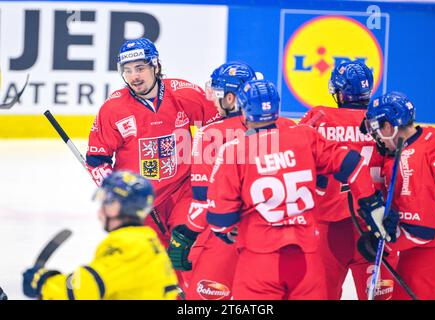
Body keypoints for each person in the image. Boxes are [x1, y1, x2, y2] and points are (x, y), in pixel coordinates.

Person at [205, 79, 397, 299]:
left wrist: (229, 233)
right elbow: (352, 163)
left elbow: (220, 219)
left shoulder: (234, 151)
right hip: (307, 258)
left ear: (244, 111)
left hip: (259, 261)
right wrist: (370, 202)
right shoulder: (304, 137)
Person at [167, 62, 295, 299]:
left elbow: (203, 199)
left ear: (230, 98)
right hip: (280, 234)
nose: (213, 101)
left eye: (217, 95)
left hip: (225, 233)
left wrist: (186, 234)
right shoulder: (289, 128)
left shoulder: (210, 133)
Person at [85, 38, 220, 250]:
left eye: (140, 68)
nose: (134, 77)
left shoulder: (184, 94)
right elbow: (96, 160)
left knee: (188, 253)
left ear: (155, 66)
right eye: (127, 70)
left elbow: (219, 127)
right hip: (140, 202)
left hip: (183, 191)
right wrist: (113, 188)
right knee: (147, 263)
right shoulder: (113, 109)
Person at [298, 61, 398, 300]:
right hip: (374, 223)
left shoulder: (318, 117)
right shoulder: (382, 122)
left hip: (327, 225)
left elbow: (293, 155)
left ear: (339, 91)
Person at [22, 171, 179, 300]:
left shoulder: (127, 245)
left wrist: (44, 283)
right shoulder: (146, 239)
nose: (100, 212)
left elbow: (86, 287)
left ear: (117, 206)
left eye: (106, 202)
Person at [361, 92, 435, 300]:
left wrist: (385, 244)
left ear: (389, 127)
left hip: (431, 256)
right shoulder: (431, 134)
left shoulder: (407, 163)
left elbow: (421, 231)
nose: (376, 137)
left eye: (377, 128)